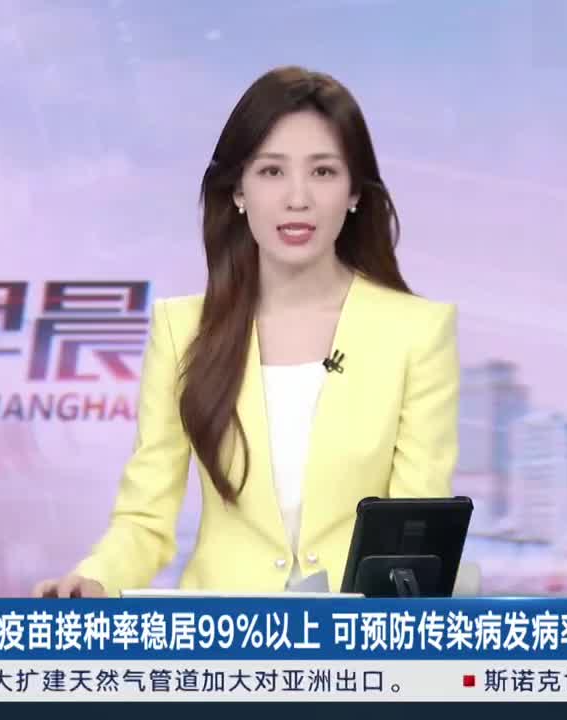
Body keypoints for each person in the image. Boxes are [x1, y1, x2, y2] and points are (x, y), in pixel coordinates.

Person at [35, 66, 459, 598]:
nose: (298, 198)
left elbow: (414, 536)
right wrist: (95, 579)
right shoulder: (182, 331)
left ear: (354, 192)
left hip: (354, 636)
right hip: (222, 635)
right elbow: (145, 519)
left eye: (323, 172)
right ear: (238, 190)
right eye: (272, 171)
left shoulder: (417, 332)